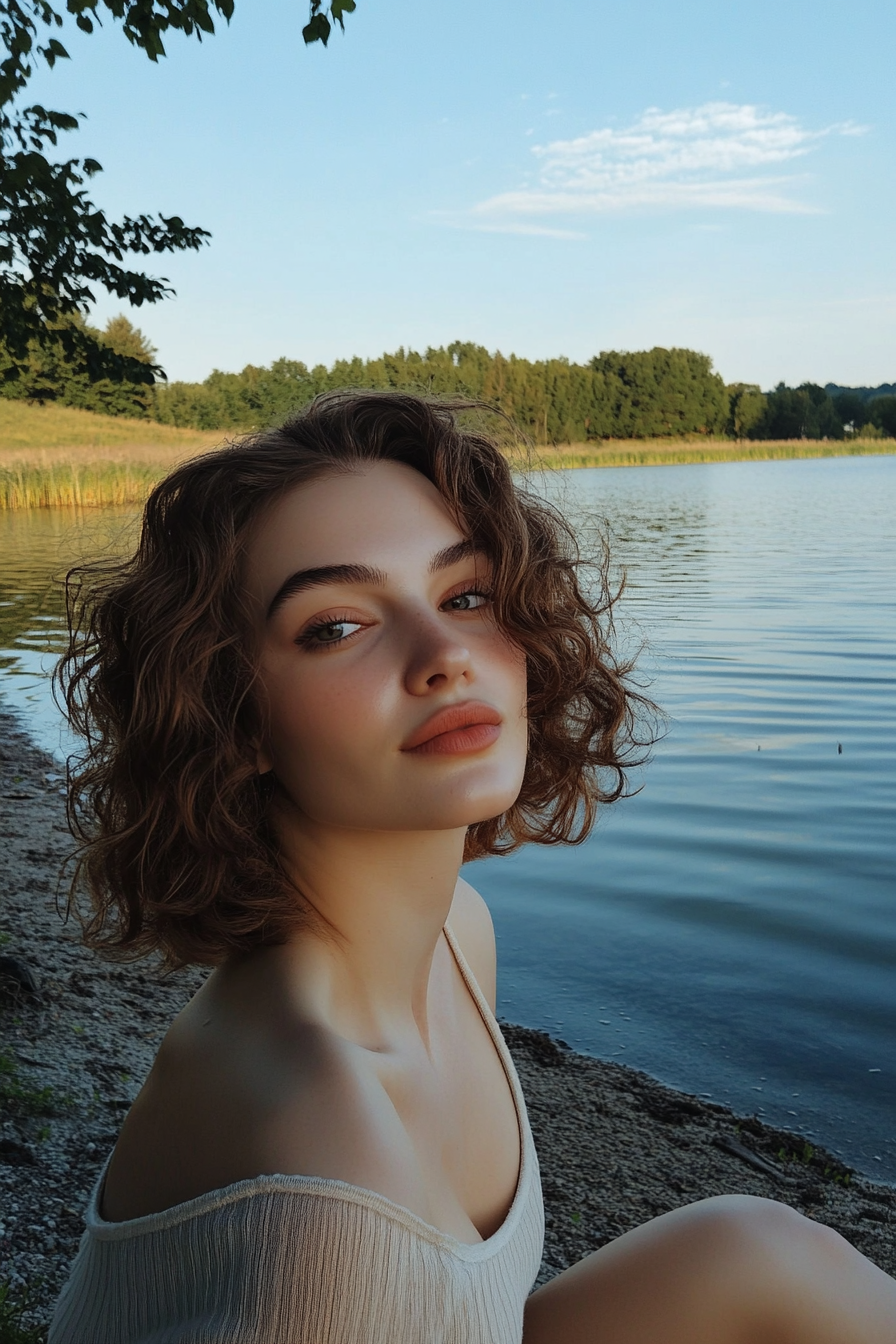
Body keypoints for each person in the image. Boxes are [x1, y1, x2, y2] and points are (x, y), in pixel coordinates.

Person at [50, 392, 896, 1343]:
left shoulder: (459, 931)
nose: (446, 654)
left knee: (755, 1248)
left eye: (466, 596)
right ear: (232, 716)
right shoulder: (328, 1149)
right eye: (335, 625)